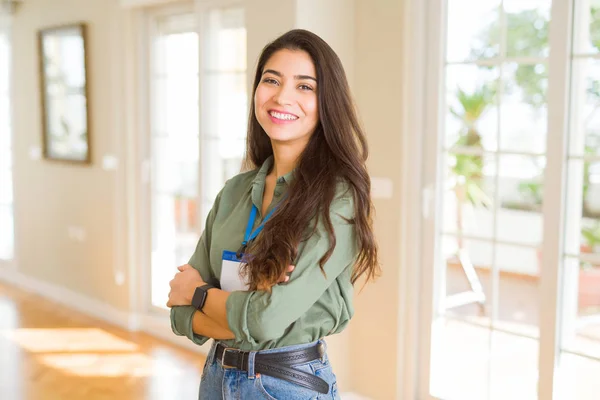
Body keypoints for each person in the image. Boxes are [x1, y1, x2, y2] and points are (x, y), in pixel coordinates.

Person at [167, 28, 380, 399]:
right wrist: (241, 311)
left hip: (286, 384)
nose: (282, 96)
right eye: (271, 80)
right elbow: (178, 315)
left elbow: (265, 319)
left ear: (327, 101)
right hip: (216, 377)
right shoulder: (235, 192)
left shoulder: (337, 199)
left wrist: (199, 294)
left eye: (304, 86)